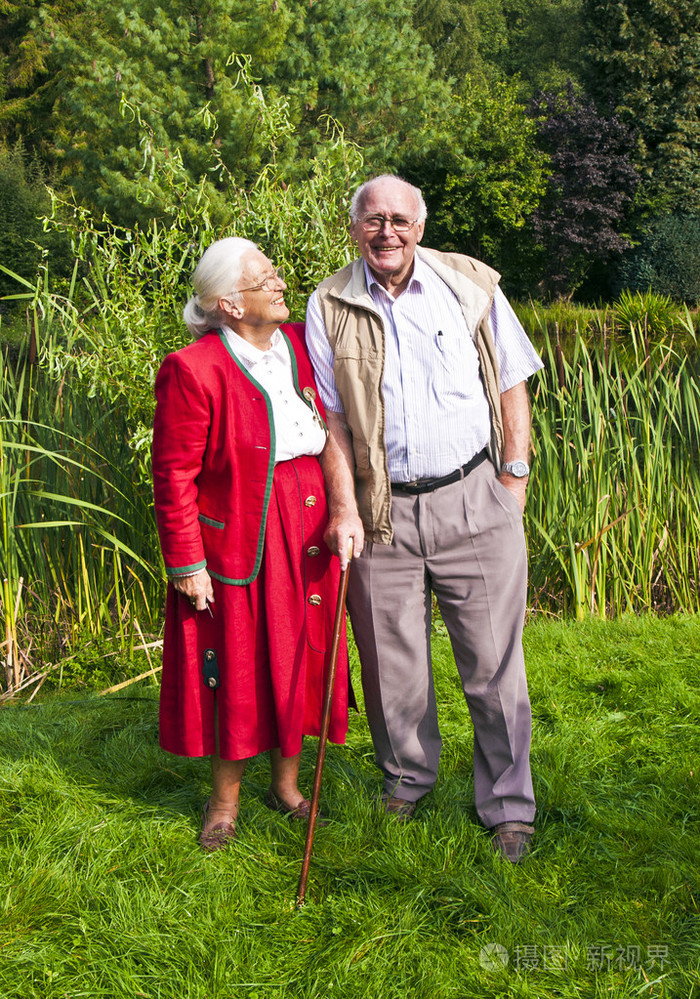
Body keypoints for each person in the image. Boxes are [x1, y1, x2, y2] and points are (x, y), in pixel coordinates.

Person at [305, 175, 543, 863]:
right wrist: (345, 508)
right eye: (373, 219)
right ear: (353, 228)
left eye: (399, 219)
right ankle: (406, 780)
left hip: (475, 496)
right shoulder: (329, 303)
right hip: (382, 511)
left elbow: (512, 383)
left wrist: (513, 480)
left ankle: (508, 805)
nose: (387, 231)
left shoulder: (468, 282)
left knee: (495, 664)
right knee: (390, 666)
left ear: (420, 224)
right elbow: (332, 418)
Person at [152, 237, 349, 852]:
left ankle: (285, 786)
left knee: (298, 654)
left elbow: (328, 425)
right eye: (265, 277)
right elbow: (173, 474)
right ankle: (224, 802)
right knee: (237, 665)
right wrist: (188, 562)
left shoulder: (296, 348)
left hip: (307, 528)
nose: (279, 283)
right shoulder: (193, 369)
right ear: (230, 304)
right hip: (239, 538)